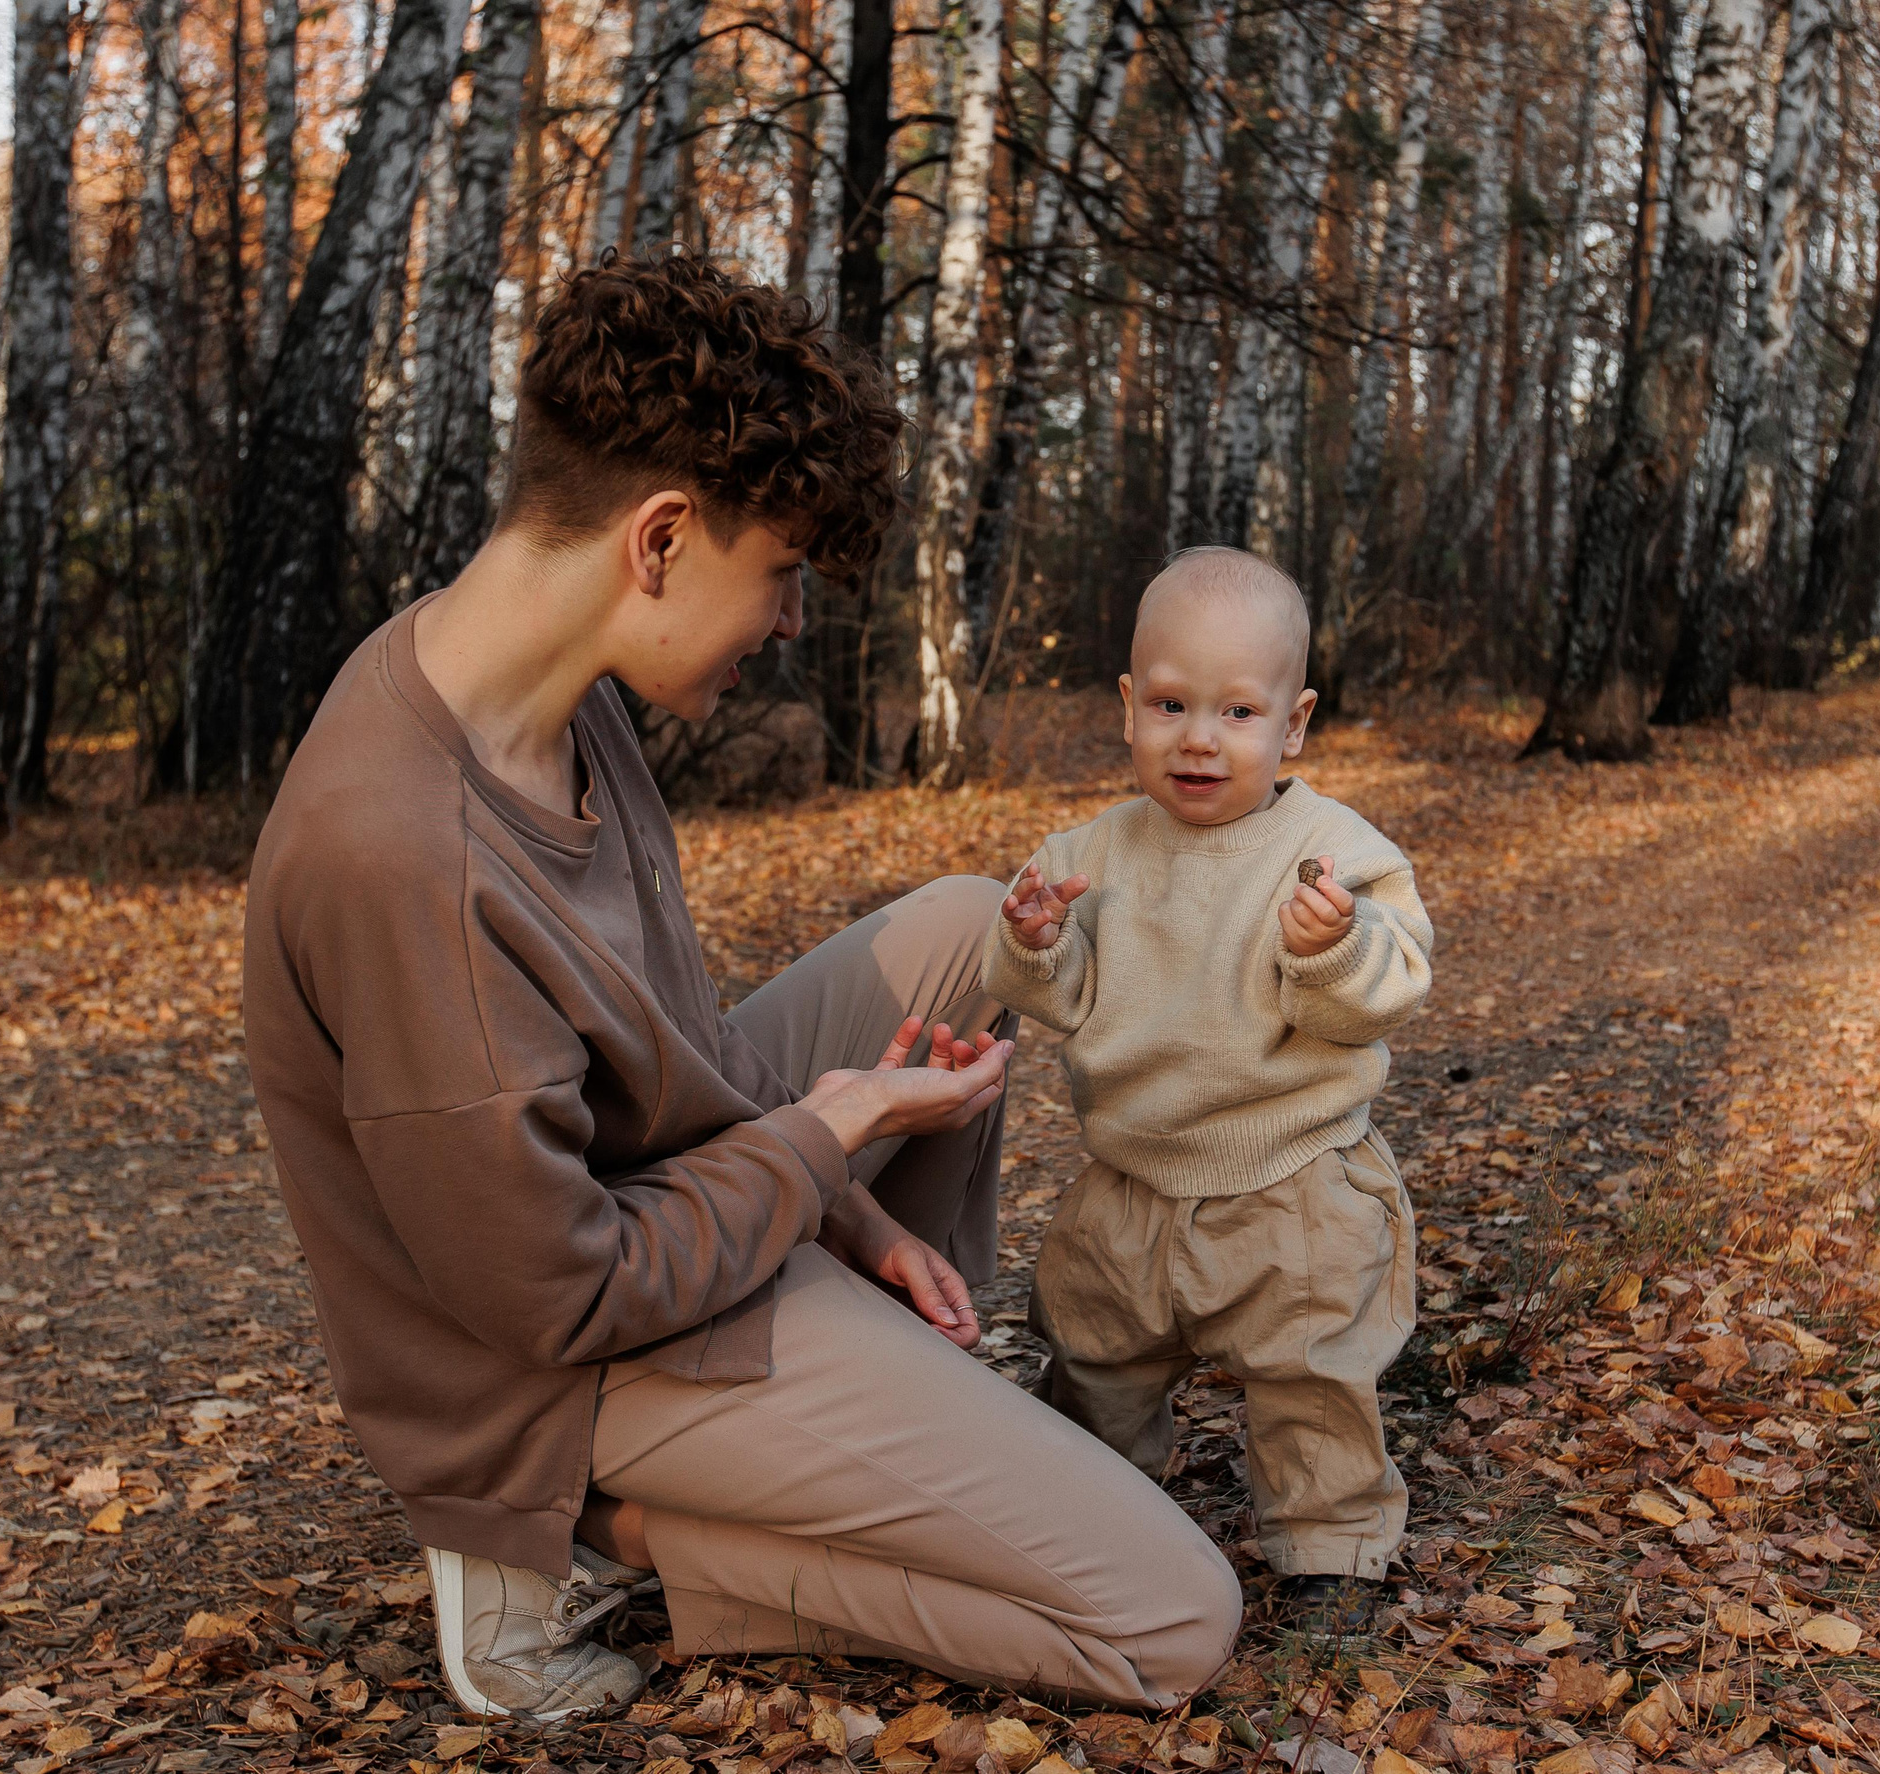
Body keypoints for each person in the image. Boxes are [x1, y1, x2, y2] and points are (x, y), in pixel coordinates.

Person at [242, 255, 1242, 1721]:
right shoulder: (402, 857)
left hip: (672, 1211)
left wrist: (845, 1207)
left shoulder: (546, 694)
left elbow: (674, 1049)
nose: (786, 623)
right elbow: (559, 1294)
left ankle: (886, 1395)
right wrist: (825, 1142)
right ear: (658, 540)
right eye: (777, 574)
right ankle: (609, 1534)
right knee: (1174, 1618)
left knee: (967, 929)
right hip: (556, 1370)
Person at [984, 546, 1433, 1630]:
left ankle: (1330, 1549)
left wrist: (1333, 950)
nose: (1199, 737)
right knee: (1092, 1356)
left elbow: (1389, 990)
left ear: (1293, 724)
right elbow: (1059, 996)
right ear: (1129, 706)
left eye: (1237, 711)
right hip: (1129, 1180)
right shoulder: (1092, 851)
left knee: (1310, 1375)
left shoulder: (1332, 855)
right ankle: (1096, 1516)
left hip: (1294, 1183)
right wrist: (1036, 943)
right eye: (1171, 704)